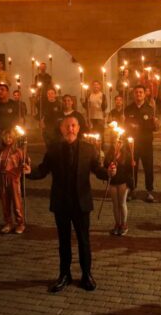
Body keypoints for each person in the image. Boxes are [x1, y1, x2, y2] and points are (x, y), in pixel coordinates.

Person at [27, 116, 115, 293]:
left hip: (81, 201)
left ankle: (86, 275)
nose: (70, 129)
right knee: (64, 241)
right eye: (67, 126)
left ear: (79, 128)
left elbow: (97, 169)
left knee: (84, 241)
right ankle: (64, 275)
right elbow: (43, 170)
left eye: (73, 125)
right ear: (61, 128)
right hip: (61, 202)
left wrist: (109, 172)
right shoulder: (53, 149)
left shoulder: (88, 149)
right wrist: (29, 172)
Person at [0, 129, 28, 234]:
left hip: (13, 179)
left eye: (10, 137)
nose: (8, 139)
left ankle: (20, 223)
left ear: (13, 138)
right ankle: (8, 222)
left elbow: (25, 164)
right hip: (1, 179)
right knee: (5, 202)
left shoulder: (18, 151)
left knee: (17, 202)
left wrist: (24, 167)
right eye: (5, 137)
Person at [124, 85, 157, 202]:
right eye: (136, 92)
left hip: (146, 143)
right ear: (134, 94)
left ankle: (149, 191)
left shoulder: (150, 108)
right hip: (133, 143)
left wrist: (152, 124)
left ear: (144, 94)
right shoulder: (128, 109)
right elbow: (126, 126)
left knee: (148, 167)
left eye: (141, 92)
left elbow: (153, 127)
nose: (138, 94)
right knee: (132, 167)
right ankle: (132, 189)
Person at [104, 134, 133, 236]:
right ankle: (117, 224)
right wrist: (109, 166)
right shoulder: (109, 155)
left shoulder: (127, 155)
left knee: (122, 203)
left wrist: (132, 165)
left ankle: (124, 224)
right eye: (114, 142)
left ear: (122, 144)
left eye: (119, 142)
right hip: (113, 182)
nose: (116, 144)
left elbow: (130, 170)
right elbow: (105, 165)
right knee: (115, 204)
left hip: (123, 182)